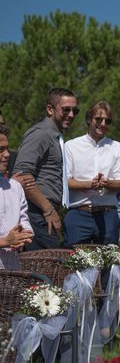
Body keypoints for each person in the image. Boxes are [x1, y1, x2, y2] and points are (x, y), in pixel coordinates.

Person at [13, 88, 78, 250]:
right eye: (66, 110)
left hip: (44, 212)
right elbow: (21, 176)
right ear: (50, 109)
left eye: (74, 111)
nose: (71, 115)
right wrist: (47, 208)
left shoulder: (56, 137)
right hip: (36, 212)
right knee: (45, 268)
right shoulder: (41, 134)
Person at [63, 100, 120, 247]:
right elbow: (66, 181)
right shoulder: (71, 146)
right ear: (89, 119)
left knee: (107, 265)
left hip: (108, 215)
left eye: (107, 121)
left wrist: (107, 183)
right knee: (74, 264)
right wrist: (90, 184)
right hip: (78, 213)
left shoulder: (118, 148)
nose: (103, 124)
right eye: (98, 119)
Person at [0, 124, 34, 268]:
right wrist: (6, 241)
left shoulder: (15, 187)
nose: (7, 154)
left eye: (7, 148)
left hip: (12, 270)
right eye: (0, 150)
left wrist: (23, 235)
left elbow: (24, 221)